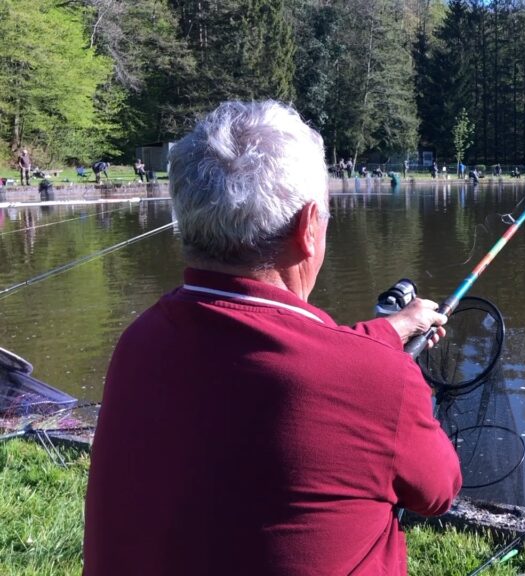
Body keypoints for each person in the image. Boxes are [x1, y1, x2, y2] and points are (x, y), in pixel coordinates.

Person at [83, 101, 461, 576]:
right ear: (307, 229)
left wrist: (391, 331)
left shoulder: (139, 343)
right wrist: (392, 372)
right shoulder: (377, 381)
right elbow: (440, 490)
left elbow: (266, 363)